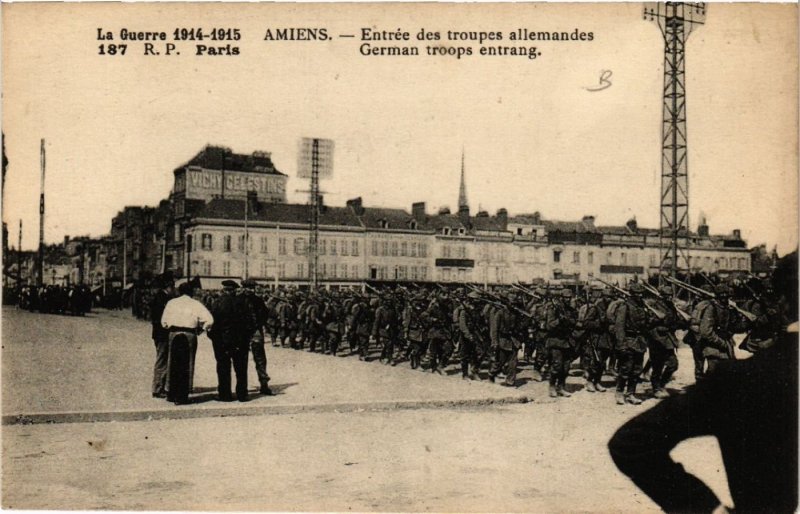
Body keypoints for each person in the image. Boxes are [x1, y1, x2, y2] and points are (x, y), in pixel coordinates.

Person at [609, 324, 798, 514]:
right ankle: (628, 389)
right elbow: (704, 329)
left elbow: (631, 442)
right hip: (675, 343)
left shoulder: (742, 377)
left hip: (704, 344)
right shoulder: (751, 378)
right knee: (643, 367)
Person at [160, 281, 214, 405]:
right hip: (189, 334)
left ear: (179, 291)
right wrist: (202, 329)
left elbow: (164, 322)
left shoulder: (171, 303)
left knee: (172, 363)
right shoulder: (196, 304)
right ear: (191, 292)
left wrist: (170, 327)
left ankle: (171, 393)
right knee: (187, 364)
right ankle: (183, 394)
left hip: (174, 333)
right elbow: (210, 319)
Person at [208, 280, 257, 402]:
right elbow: (251, 322)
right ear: (235, 290)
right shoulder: (244, 303)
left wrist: (214, 338)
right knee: (241, 368)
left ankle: (225, 395)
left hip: (222, 341)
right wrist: (246, 337)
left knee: (223, 367)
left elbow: (212, 323)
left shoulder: (217, 303)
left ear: (224, 289)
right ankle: (242, 395)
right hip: (240, 341)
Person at [612, 283, 650, 405]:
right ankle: (619, 392)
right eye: (637, 293)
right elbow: (619, 327)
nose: (639, 295)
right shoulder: (625, 306)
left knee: (637, 370)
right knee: (625, 369)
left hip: (640, 341)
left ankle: (631, 394)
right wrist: (621, 344)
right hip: (628, 340)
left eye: (641, 293)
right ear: (632, 294)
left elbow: (645, 324)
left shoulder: (642, 306)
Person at [241, 279, 273, 396]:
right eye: (248, 288)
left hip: (251, 332)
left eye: (252, 288)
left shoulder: (254, 300)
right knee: (252, 359)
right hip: (247, 332)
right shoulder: (254, 300)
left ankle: (263, 384)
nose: (250, 290)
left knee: (259, 359)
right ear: (243, 288)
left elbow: (265, 314)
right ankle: (244, 387)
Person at [149, 272, 174, 399]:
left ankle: (160, 386)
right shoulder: (163, 299)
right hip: (162, 334)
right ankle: (157, 388)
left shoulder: (158, 297)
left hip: (158, 334)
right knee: (162, 360)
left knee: (162, 360)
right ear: (168, 286)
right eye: (172, 287)